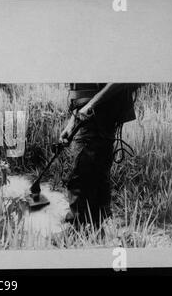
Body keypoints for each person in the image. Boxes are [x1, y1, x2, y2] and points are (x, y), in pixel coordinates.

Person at [59, 83, 142, 226]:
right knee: (97, 173)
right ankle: (98, 226)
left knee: (81, 174)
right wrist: (73, 121)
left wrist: (91, 104)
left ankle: (78, 230)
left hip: (97, 113)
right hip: (92, 111)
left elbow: (121, 76)